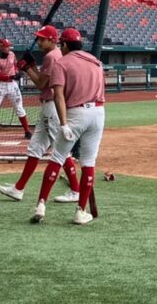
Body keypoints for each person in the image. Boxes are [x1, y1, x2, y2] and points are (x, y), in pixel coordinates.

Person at [0, 24, 80, 205]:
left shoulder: (52, 56)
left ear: (52, 40)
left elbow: (42, 84)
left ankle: (75, 190)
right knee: (35, 147)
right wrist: (32, 65)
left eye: (42, 39)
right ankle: (19, 188)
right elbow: (44, 78)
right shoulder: (55, 55)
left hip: (52, 106)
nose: (39, 42)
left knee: (61, 151)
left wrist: (27, 68)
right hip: (48, 106)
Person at [29, 27, 105, 225]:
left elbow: (58, 96)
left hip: (75, 114)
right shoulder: (96, 62)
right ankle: (81, 211)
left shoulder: (61, 64)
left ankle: (41, 204)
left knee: (57, 157)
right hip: (98, 113)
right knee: (88, 162)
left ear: (64, 44)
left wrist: (63, 123)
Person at [0, 39, 32, 141]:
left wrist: (20, 67)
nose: (9, 48)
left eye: (9, 46)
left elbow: (16, 65)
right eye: (6, 47)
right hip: (0, 85)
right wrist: (14, 76)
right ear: (0, 47)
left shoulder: (12, 54)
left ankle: (27, 131)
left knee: (19, 108)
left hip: (12, 85)